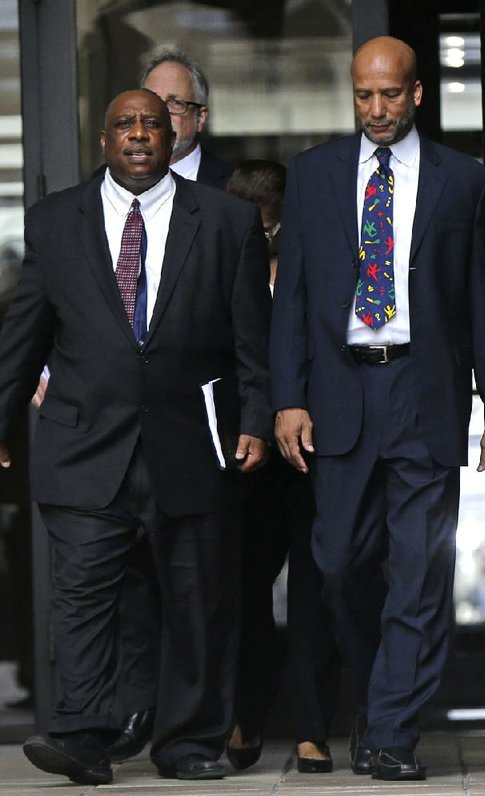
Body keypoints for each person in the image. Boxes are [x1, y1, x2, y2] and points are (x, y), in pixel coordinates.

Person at [0, 88, 271, 785]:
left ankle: (186, 742)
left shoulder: (226, 220)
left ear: (175, 136)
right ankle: (84, 737)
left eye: (153, 123)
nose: (141, 135)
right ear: (104, 140)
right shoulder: (56, 222)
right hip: (85, 445)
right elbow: (24, 334)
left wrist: (257, 420)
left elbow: (252, 340)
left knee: (198, 602)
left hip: (194, 443)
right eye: (126, 124)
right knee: (84, 598)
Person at [270, 36, 485, 782]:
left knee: (417, 571)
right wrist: (287, 398)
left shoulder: (463, 181)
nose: (376, 109)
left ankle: (394, 730)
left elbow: (483, 304)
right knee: (338, 564)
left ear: (416, 96)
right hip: (339, 393)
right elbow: (295, 301)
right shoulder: (312, 176)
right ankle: (382, 698)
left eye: (389, 94)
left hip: (425, 391)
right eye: (363, 95)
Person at [105, 50, 235, 763]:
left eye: (171, 108)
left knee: (201, 590)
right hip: (117, 429)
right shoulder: (98, 195)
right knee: (126, 586)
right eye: (140, 107)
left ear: (196, 119)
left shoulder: (228, 198)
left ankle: (198, 728)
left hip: (201, 427)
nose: (152, 122)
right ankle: (132, 714)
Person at [225, 160, 341, 774]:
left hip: (315, 444)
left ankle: (311, 726)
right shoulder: (219, 264)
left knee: (315, 589)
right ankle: (247, 713)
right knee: (244, 589)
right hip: (247, 453)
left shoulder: (317, 262)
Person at [142, 51, 232, 187]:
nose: (159, 113)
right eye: (151, 100)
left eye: (175, 103)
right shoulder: (107, 183)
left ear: (200, 118)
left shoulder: (233, 187)